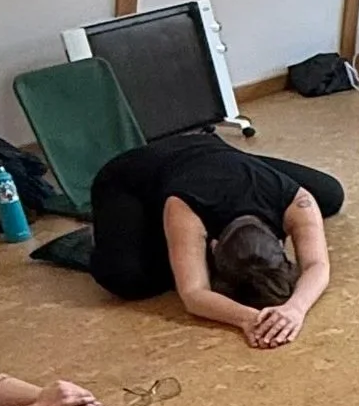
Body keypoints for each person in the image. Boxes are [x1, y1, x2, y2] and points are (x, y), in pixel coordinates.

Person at [87, 131, 343, 345]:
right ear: (214, 245)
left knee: (329, 196)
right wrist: (246, 318)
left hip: (214, 150)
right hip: (131, 174)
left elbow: (317, 265)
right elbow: (193, 294)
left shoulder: (297, 201)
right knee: (126, 278)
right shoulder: (185, 207)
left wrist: (295, 309)